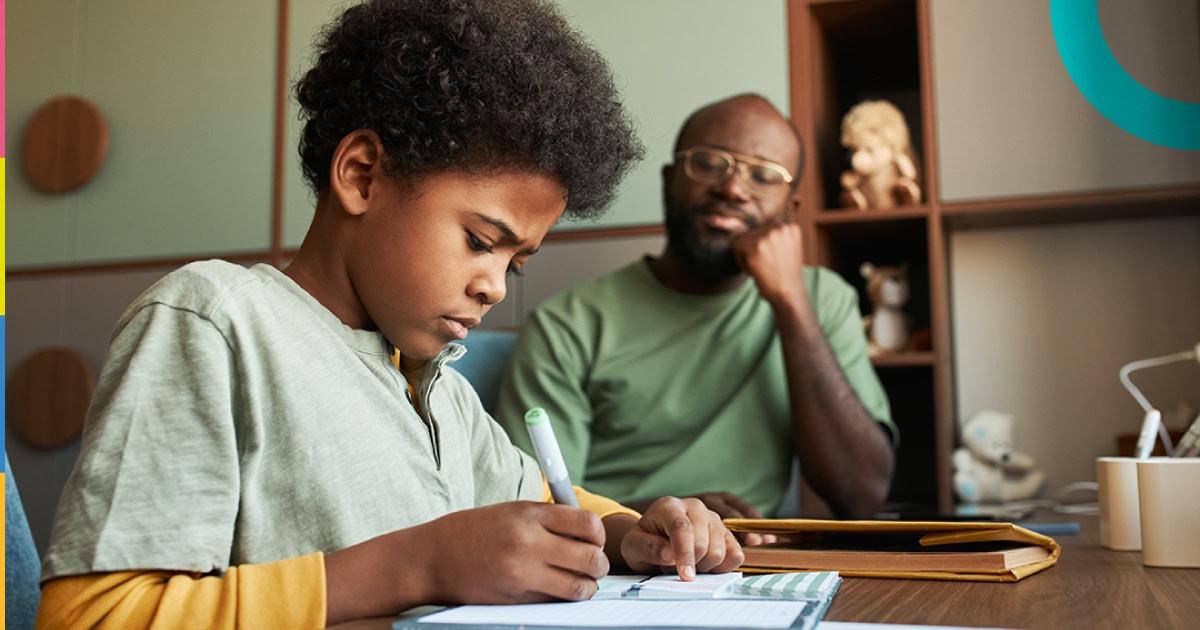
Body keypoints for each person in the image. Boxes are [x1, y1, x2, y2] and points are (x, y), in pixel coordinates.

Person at [35, 2, 742, 627]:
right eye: (479, 242)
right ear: (362, 175)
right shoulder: (214, 324)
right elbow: (93, 617)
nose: (495, 286)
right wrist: (416, 568)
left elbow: (544, 499)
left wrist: (630, 533)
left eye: (515, 263)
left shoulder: (440, 392)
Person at [497, 93, 897, 535]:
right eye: (709, 163)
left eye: (764, 175)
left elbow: (862, 493)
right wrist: (660, 518)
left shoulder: (821, 299)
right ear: (669, 181)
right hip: (611, 570)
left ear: (790, 210)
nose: (732, 188)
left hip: (756, 569)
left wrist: (791, 304)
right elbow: (531, 512)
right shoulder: (568, 324)